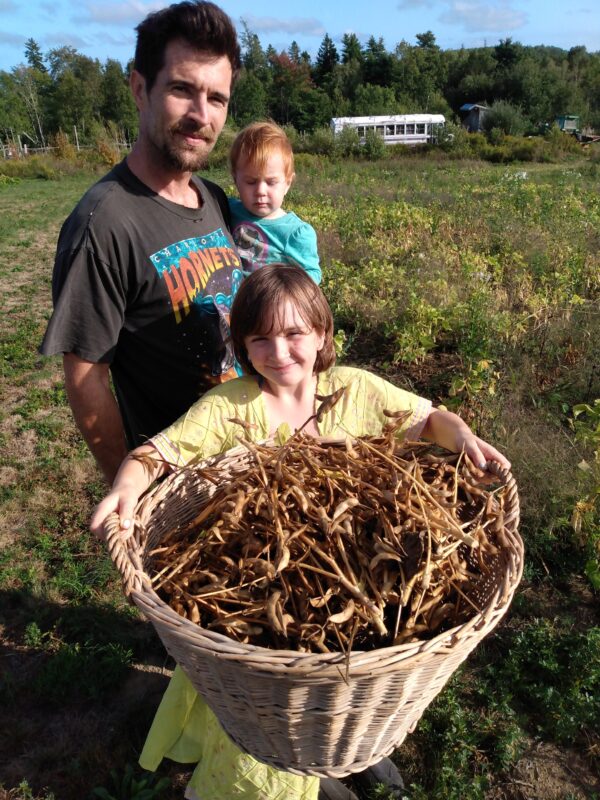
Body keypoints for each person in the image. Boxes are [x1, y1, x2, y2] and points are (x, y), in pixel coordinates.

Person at [91, 263, 510, 800]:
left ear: (321, 336)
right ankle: (287, 771)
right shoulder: (230, 405)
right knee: (277, 718)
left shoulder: (353, 390)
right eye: (260, 339)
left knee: (368, 667)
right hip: (268, 659)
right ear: (241, 345)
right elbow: (156, 454)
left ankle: (353, 754)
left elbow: (430, 420)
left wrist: (465, 438)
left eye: (293, 335)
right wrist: (127, 484)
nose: (279, 352)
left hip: (365, 637)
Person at [39, 1, 243, 485]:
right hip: (182, 487)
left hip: (248, 465)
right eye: (181, 90)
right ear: (139, 89)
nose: (201, 114)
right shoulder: (104, 223)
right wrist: (134, 492)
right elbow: (85, 378)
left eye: (217, 98)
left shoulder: (212, 198)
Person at [228, 121, 321, 283]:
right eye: (251, 182)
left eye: (271, 182)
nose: (260, 191)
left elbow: (311, 276)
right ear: (236, 180)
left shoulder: (295, 233)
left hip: (269, 305)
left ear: (287, 183)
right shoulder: (227, 208)